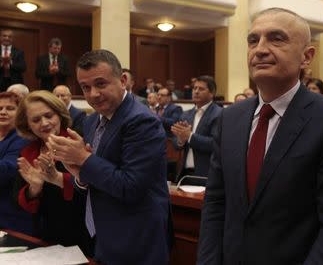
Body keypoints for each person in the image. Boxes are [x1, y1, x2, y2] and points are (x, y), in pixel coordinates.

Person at [197, 8, 323, 264]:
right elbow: (215, 204)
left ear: (306, 56)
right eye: (253, 40)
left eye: (276, 38)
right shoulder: (229, 118)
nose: (260, 49)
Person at [47, 49, 170, 264]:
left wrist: (84, 160)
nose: (93, 94)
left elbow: (131, 187)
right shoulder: (92, 120)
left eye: (101, 84)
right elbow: (97, 177)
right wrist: (80, 175)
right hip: (104, 235)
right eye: (85, 87)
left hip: (136, 239)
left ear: (123, 80)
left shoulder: (142, 121)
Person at [12, 90, 92, 254]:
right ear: (27, 124)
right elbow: (20, 202)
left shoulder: (77, 143)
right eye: (36, 119)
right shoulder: (27, 152)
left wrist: (58, 178)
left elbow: (93, 190)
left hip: (82, 237)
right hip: (44, 238)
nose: (44, 123)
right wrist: (34, 188)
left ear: (60, 115)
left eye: (49, 115)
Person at [171, 75, 222, 180]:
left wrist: (189, 136)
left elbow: (215, 144)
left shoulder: (219, 114)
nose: (196, 91)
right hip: (184, 173)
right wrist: (180, 140)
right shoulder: (186, 115)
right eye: (194, 88)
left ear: (212, 93)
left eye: (201, 89)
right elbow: (176, 144)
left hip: (207, 175)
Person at [0, 92, 31, 234]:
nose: (3, 112)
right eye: (0, 108)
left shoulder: (22, 138)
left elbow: (7, 171)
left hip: (10, 218)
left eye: (10, 108)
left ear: (20, 113)